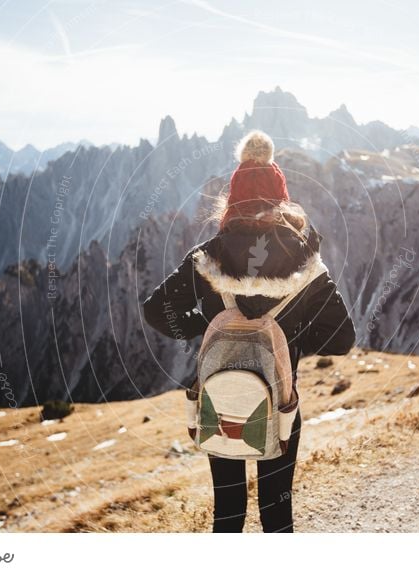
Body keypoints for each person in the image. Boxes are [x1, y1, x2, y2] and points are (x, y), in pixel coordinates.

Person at [143, 129, 355, 532]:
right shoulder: (306, 262)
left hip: (221, 396)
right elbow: (343, 338)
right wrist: (288, 341)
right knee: (277, 516)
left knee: (228, 513)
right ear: (282, 197)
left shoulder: (206, 257)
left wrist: (207, 326)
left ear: (233, 197)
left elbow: (156, 312)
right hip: (280, 398)